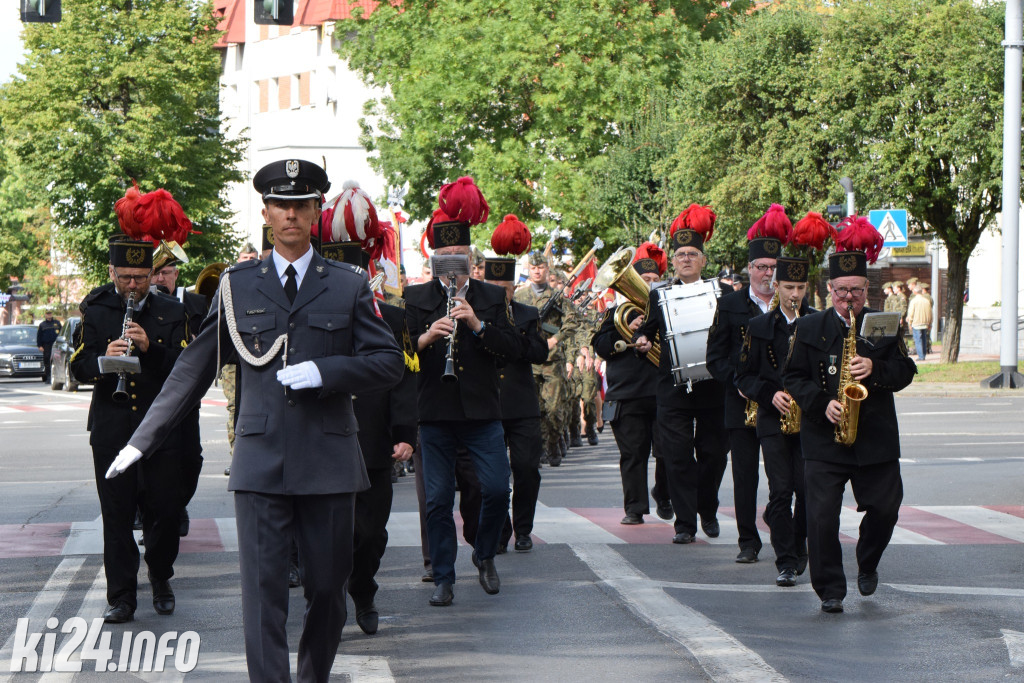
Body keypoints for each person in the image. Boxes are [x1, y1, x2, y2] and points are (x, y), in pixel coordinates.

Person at [105, 159, 404, 682]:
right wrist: (141, 441)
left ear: (316, 211)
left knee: (329, 590)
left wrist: (325, 371)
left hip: (330, 461)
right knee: (263, 595)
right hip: (261, 463)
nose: (290, 214)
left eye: (301, 204)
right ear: (265, 213)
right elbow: (193, 368)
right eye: (280, 205)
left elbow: (388, 363)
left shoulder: (348, 284)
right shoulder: (238, 284)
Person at [784, 216, 917, 614]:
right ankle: (829, 590)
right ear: (829, 290)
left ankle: (868, 559)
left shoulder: (883, 324)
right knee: (821, 517)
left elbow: (906, 372)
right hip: (825, 437)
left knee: (886, 508)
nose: (849, 299)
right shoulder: (810, 326)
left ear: (866, 289)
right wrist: (821, 403)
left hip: (874, 436)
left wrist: (876, 371)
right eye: (841, 291)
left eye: (856, 291)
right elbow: (792, 376)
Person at [70, 198, 191, 625]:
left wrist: (149, 348)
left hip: (160, 431)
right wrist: (105, 357)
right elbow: (76, 365)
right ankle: (121, 596)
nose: (133, 287)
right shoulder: (98, 307)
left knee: (164, 508)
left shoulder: (173, 311)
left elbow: (186, 369)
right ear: (112, 274)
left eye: (140, 279)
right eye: (125, 278)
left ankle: (160, 576)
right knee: (117, 514)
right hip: (112, 426)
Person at [403, 178, 520, 607]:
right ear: (433, 262)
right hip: (434, 413)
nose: (452, 269)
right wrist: (425, 338)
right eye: (443, 261)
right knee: (436, 500)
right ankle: (444, 577)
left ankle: (485, 555)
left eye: (460, 260)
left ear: (472, 261)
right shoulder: (416, 298)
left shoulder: (490, 296)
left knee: (494, 490)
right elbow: (400, 353)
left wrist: (478, 325)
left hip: (482, 413)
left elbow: (512, 349)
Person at [635, 204, 728, 544]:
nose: (686, 259)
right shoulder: (660, 296)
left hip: (713, 387)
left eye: (692, 254)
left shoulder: (721, 293)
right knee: (676, 457)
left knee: (714, 454)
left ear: (703, 260)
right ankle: (685, 524)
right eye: (681, 254)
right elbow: (645, 330)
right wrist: (641, 338)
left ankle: (708, 507)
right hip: (673, 388)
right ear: (673, 261)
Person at [707, 204, 788, 564]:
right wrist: (737, 383)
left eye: (773, 268)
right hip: (740, 403)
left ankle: (776, 516)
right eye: (761, 268)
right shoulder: (729, 305)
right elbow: (715, 358)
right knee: (743, 476)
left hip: (778, 404)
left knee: (781, 475)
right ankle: (747, 541)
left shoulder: (791, 305)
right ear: (750, 270)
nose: (767, 274)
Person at [735, 256, 813, 587]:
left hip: (809, 418)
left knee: (807, 490)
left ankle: (798, 544)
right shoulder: (759, 327)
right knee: (781, 489)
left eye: (800, 288)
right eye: (788, 287)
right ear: (776, 287)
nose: (794, 294)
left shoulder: (816, 323)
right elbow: (743, 376)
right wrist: (770, 396)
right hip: (773, 418)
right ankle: (786, 560)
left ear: (806, 288)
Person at [594, 242, 671, 525]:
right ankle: (635, 508)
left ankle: (663, 493)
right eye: (644, 281)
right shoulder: (616, 316)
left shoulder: (666, 313)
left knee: (666, 452)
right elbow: (601, 346)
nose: (649, 286)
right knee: (633, 454)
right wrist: (629, 335)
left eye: (653, 281)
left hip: (661, 393)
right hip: (627, 394)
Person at [484, 214, 548, 553]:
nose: (501, 295)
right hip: (489, 403)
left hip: (522, 404)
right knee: (493, 477)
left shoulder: (527, 315)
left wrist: (514, 339)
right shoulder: (478, 316)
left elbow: (538, 352)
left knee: (526, 468)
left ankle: (524, 527)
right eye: (495, 290)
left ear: (514, 288)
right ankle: (502, 529)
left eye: (506, 290)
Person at [514, 254, 577, 466]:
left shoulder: (557, 296)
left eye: (541, 267)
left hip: (552, 361)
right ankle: (540, 448)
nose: (537, 271)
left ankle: (554, 441)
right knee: (535, 408)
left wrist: (555, 339)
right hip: (530, 360)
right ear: (528, 270)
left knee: (554, 408)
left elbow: (572, 321)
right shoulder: (519, 297)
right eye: (533, 268)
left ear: (547, 269)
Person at [222, 242, 259, 478]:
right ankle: (236, 456)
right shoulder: (230, 282)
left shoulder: (264, 282)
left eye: (251, 257)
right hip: (233, 359)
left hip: (257, 355)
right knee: (234, 407)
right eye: (244, 257)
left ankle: (253, 456)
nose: (247, 261)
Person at [906, 283, 932, 361]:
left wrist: (910, 322)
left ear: (915, 292)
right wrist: (930, 323)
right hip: (925, 323)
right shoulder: (927, 301)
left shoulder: (914, 301)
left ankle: (921, 356)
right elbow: (930, 313)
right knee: (923, 339)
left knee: (918, 340)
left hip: (916, 323)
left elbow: (911, 313)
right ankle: (923, 355)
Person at [37, 310, 61, 384]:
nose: (49, 315)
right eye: (48, 314)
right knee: (47, 361)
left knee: (57, 360)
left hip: (56, 345)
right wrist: (40, 345)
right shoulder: (42, 325)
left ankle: (57, 377)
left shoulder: (57, 323)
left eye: (50, 313)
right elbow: (39, 336)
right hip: (46, 345)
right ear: (45, 315)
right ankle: (48, 377)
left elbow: (61, 333)